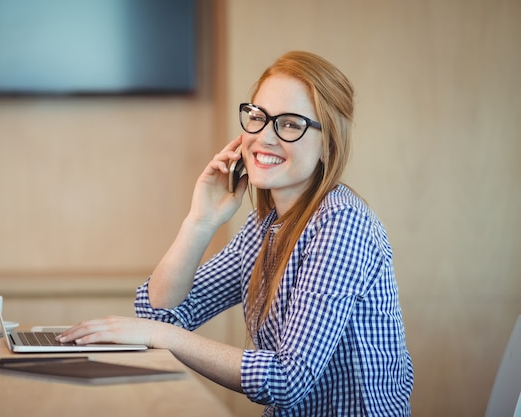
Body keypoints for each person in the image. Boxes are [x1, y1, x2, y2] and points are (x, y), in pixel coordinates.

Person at [58, 51, 414, 416]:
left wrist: (162, 337)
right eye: (258, 118)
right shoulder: (262, 228)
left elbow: (286, 378)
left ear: (328, 144)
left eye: (290, 124)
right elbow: (158, 314)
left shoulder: (342, 223)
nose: (265, 137)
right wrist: (200, 221)